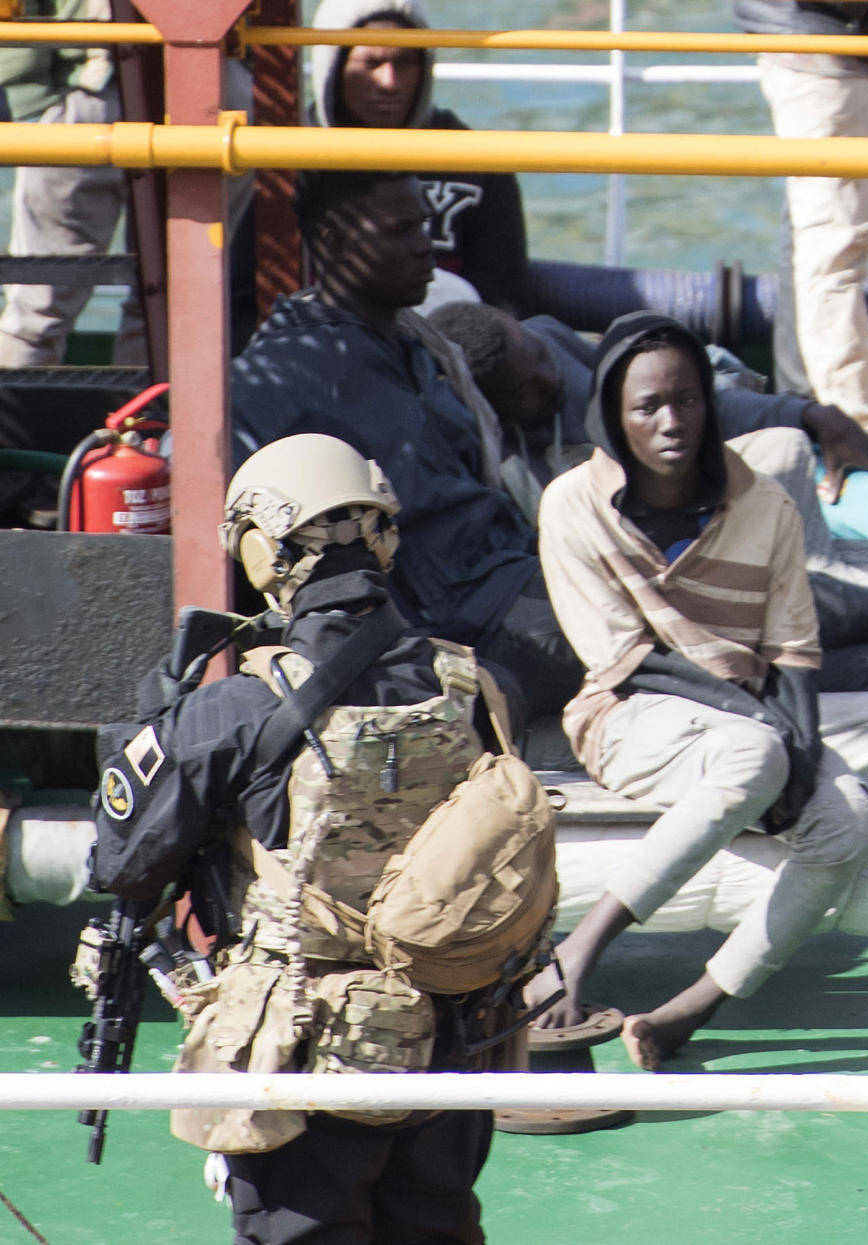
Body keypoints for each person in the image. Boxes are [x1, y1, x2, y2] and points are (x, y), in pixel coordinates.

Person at [89, 433, 515, 1245]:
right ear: (382, 535)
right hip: (457, 1038)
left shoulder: (234, 712)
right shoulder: (479, 687)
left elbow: (122, 858)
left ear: (261, 545)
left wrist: (156, 723)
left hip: (302, 1050)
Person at [523, 309, 868, 1069]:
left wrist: (805, 749)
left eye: (686, 399)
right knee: (755, 753)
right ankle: (580, 950)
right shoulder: (572, 505)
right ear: (614, 418)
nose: (671, 420)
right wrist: (769, 733)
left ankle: (692, 1006)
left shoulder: (766, 505)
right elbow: (620, 656)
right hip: (627, 714)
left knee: (848, 821)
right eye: (647, 405)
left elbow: (792, 650)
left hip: (751, 721)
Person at [428, 300, 868, 694]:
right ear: (487, 408)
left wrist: (809, 413)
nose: (551, 381)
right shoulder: (526, 484)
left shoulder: (553, 342)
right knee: (864, 658)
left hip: (720, 540)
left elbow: (694, 406)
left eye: (541, 356)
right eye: (526, 391)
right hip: (665, 600)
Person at [232, 168, 582, 721]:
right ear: (336, 243)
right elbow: (423, 548)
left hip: (497, 575)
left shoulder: (404, 344)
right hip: (459, 618)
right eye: (401, 231)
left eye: (424, 225)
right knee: (633, 620)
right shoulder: (307, 373)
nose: (426, 247)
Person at [732, 1, 868, 479]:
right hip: (831, 44)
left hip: (840, 41)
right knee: (833, 249)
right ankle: (862, 446)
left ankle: (808, 420)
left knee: (815, 238)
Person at [308, 0, 528, 311]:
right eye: (371, 63)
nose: (390, 82)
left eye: (406, 62)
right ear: (333, 67)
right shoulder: (283, 160)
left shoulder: (476, 162)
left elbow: (503, 294)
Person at [0, 0, 146, 368]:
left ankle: (151, 419)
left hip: (88, 83)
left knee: (37, 312)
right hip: (89, 87)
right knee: (172, 307)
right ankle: (153, 421)